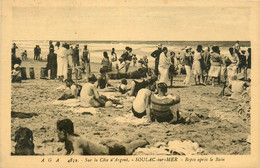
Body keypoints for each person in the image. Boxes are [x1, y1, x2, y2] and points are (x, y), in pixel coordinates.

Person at [56, 118, 149, 155]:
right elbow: (65, 152)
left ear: (64, 132)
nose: (57, 135)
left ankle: (144, 140)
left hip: (110, 151)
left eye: (58, 132)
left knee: (129, 148)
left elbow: (77, 161)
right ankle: (134, 139)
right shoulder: (69, 141)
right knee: (123, 143)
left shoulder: (77, 143)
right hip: (105, 146)